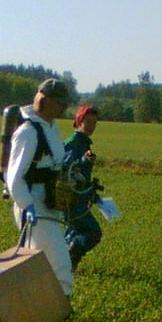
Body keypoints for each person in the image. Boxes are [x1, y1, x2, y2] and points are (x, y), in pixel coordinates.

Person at [4, 78, 74, 296]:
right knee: (59, 264)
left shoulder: (50, 128)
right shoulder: (29, 131)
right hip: (34, 207)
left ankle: (40, 312)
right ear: (44, 100)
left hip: (49, 206)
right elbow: (13, 177)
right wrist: (27, 205)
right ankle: (61, 311)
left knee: (44, 266)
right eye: (59, 103)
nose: (63, 108)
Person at [63, 105, 103, 272]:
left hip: (78, 199)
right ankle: (70, 258)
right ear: (79, 121)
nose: (92, 126)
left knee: (71, 234)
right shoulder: (73, 143)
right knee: (93, 232)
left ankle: (62, 265)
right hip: (72, 200)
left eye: (94, 122)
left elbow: (82, 176)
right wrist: (85, 162)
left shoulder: (84, 143)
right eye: (88, 121)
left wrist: (93, 195)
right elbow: (67, 169)